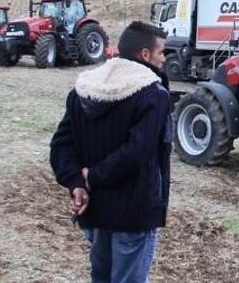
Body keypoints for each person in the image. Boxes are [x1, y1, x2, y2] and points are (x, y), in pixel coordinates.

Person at [50, 21, 172, 282]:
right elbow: (135, 153)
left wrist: (77, 182)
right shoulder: (153, 95)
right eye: (162, 52)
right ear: (145, 55)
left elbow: (61, 145)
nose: (164, 59)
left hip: (95, 209)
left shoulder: (82, 91)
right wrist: (90, 177)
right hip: (134, 211)